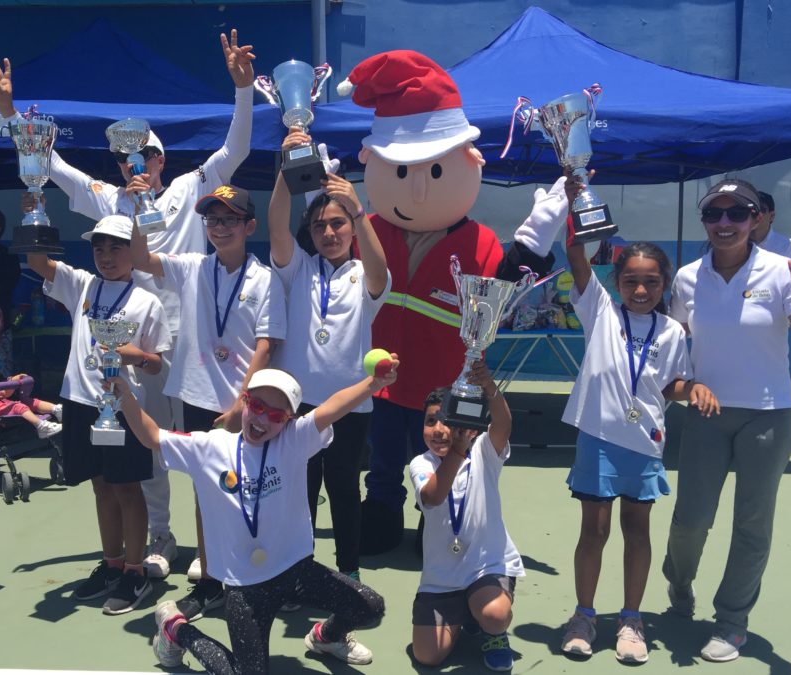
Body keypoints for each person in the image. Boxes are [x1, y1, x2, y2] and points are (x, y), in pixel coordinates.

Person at [0, 29, 255, 580]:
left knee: (211, 445)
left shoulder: (189, 189)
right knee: (144, 443)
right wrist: (12, 116)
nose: (139, 163)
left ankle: (217, 542)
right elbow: (49, 165)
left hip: (200, 343)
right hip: (136, 344)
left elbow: (237, 150)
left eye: (148, 154)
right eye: (128, 155)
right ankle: (160, 537)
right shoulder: (107, 200)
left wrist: (243, 91)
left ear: (161, 158)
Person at [334, 50, 567, 554]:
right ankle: (379, 524)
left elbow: (507, 286)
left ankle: (433, 532)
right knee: (382, 463)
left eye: (434, 172)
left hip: (444, 385)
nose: (417, 188)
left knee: (442, 458)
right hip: (379, 380)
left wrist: (533, 244)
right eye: (403, 172)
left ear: (470, 163)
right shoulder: (366, 231)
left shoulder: (479, 240)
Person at [116, 366, 392, 674]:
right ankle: (176, 630)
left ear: (288, 420)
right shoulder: (210, 447)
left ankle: (326, 637)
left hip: (295, 570)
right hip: (244, 588)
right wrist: (125, 394)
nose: (262, 419)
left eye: (275, 415)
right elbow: (152, 436)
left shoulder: (294, 440)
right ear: (244, 401)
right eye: (257, 406)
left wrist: (372, 384)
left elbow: (331, 408)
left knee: (370, 606)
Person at [661, 178, 791, 662]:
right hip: (705, 414)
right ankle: (679, 581)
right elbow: (671, 350)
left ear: (757, 220)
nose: (725, 223)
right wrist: (684, 389)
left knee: (752, 524)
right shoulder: (688, 278)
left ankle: (731, 621)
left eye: (738, 214)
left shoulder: (782, 272)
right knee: (691, 520)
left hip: (768, 417)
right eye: (715, 214)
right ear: (705, 222)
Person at [559, 204, 718, 663]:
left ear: (664, 285)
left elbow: (671, 384)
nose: (641, 289)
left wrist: (697, 388)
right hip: (598, 437)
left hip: (645, 442)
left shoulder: (671, 332)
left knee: (636, 531)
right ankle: (584, 616)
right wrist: (577, 201)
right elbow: (576, 255)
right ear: (616, 283)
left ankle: (631, 619)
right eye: (631, 281)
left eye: (651, 281)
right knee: (594, 531)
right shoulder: (600, 312)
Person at [131, 184, 285, 621]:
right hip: (199, 399)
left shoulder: (265, 278)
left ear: (249, 226)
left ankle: (254, 576)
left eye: (229, 220)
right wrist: (141, 206)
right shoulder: (192, 267)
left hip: (247, 406)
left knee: (252, 490)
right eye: (213, 220)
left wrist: (242, 404)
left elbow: (266, 346)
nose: (219, 228)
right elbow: (141, 259)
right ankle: (212, 580)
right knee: (205, 492)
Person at [26, 214, 170, 615]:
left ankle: (135, 572)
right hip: (80, 402)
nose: (106, 256)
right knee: (101, 487)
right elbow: (39, 263)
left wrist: (135, 356)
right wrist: (35, 208)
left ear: (132, 252)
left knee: (128, 489)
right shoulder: (83, 284)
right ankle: (112, 566)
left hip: (123, 406)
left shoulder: (148, 301)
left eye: (116, 247)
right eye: (99, 247)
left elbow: (157, 364)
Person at [267, 128, 389, 581]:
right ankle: (299, 571)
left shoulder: (363, 272)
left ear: (351, 228)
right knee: (299, 492)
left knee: (343, 488)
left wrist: (358, 210)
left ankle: (348, 573)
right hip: (297, 405)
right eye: (320, 226)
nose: (329, 232)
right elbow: (277, 225)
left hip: (350, 406)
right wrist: (286, 167)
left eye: (338, 224)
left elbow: (380, 269)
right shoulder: (297, 268)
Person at [408, 361, 521, 672]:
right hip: (442, 576)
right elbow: (432, 497)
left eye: (448, 420)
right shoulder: (421, 463)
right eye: (431, 421)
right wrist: (457, 450)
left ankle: (493, 632)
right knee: (428, 657)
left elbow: (503, 424)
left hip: (486, 566)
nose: (440, 430)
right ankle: (465, 615)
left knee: (495, 615)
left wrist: (489, 387)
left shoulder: (484, 450)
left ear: (467, 423)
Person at [0, 373, 62, 439]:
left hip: (1, 404)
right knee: (17, 406)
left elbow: (5, 393)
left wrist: (14, 380)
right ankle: (41, 427)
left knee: (27, 401)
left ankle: (57, 410)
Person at [751, 190, 791, 269]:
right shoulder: (733, 246)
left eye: (761, 209)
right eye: (751, 209)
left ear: (771, 216)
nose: (756, 214)